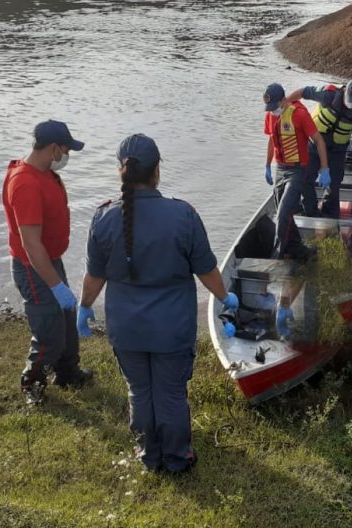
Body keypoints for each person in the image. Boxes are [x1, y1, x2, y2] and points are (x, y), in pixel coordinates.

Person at [77, 133, 239, 474]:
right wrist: (226, 298)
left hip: (126, 328)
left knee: (139, 390)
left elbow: (94, 277)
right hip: (171, 329)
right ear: (157, 171)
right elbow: (207, 270)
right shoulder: (183, 216)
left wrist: (83, 306)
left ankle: (149, 455)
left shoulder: (103, 218)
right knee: (170, 394)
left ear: (122, 171)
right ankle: (178, 458)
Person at [1, 119, 93, 406]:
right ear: (54, 148)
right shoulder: (25, 183)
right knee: (49, 332)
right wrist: (55, 286)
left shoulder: (45, 174)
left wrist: (58, 279)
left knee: (65, 321)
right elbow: (31, 245)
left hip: (51, 261)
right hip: (33, 267)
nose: (67, 157)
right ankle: (32, 381)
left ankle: (67, 372)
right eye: (66, 150)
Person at [262, 82, 330, 260]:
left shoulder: (299, 115)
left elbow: (319, 140)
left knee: (283, 214)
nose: (272, 110)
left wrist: (324, 168)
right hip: (280, 169)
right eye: (269, 107)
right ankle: (300, 251)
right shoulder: (271, 115)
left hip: (298, 171)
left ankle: (276, 256)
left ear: (284, 100)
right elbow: (271, 139)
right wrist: (267, 165)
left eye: (275, 106)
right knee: (283, 212)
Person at [287, 78, 352, 219]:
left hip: (337, 151)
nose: (350, 105)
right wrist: (286, 105)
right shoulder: (328, 94)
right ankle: (311, 213)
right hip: (313, 145)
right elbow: (303, 92)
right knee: (306, 179)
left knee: (334, 185)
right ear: (345, 91)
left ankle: (329, 218)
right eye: (349, 100)